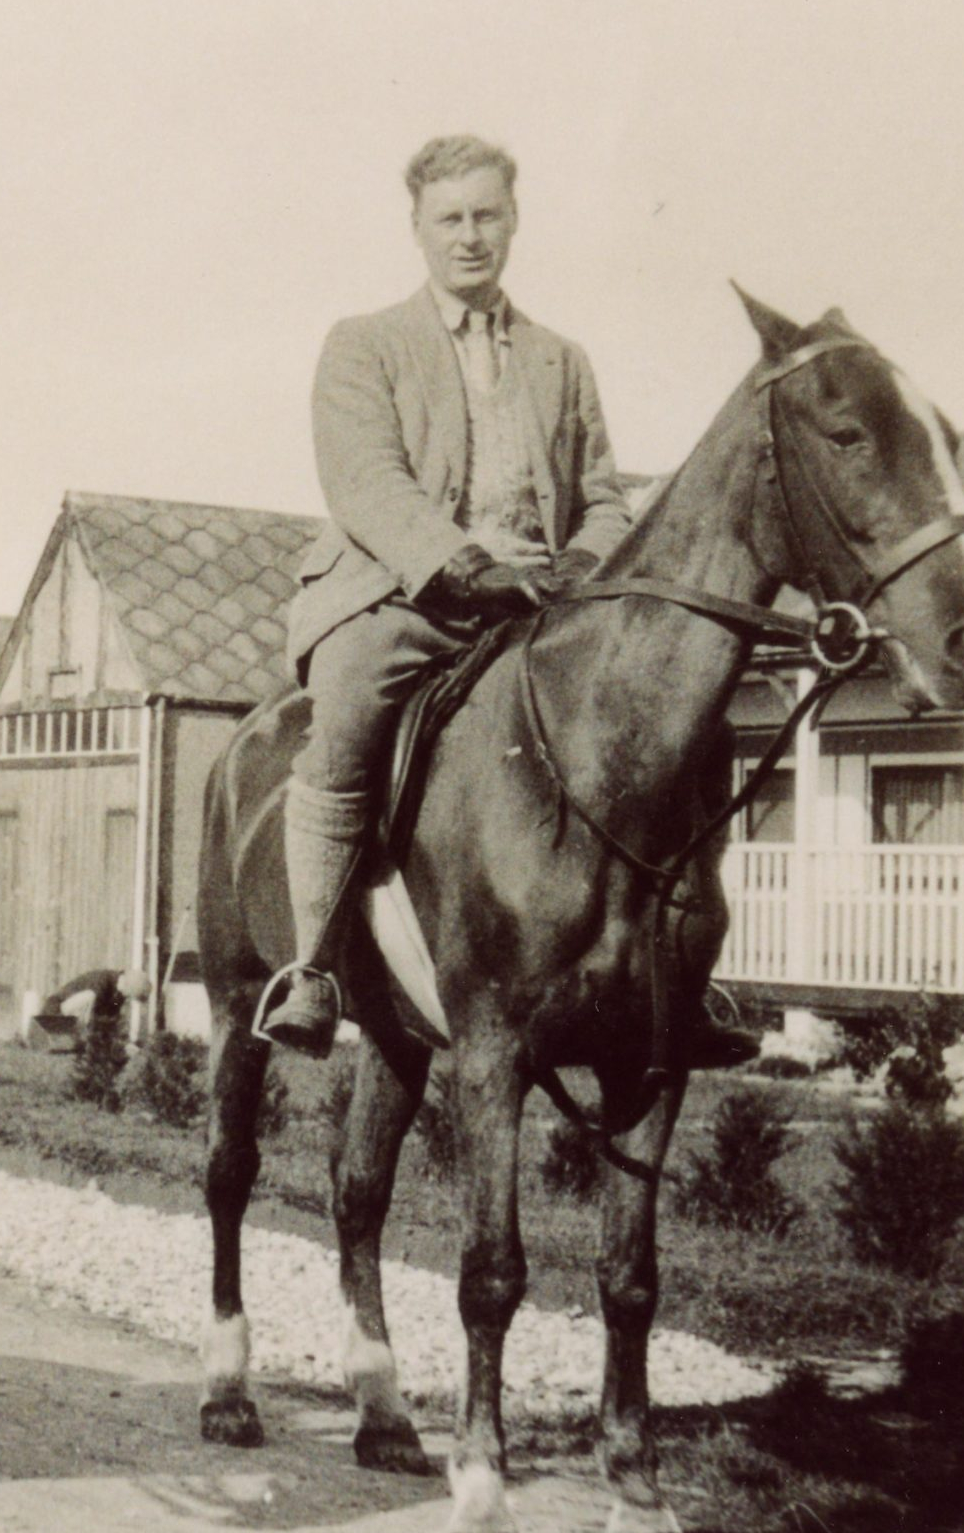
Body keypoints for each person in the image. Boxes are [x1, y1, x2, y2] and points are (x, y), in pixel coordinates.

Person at [264, 133, 751, 1068]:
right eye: (450, 218)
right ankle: (314, 967)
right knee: (351, 702)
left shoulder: (560, 360)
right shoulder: (365, 344)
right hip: (403, 592)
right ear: (418, 229)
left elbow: (604, 493)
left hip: (542, 601)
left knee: (697, 724)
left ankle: (682, 976)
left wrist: (583, 560)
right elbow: (366, 484)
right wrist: (459, 563)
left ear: (515, 220)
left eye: (488, 214)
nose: (470, 236)